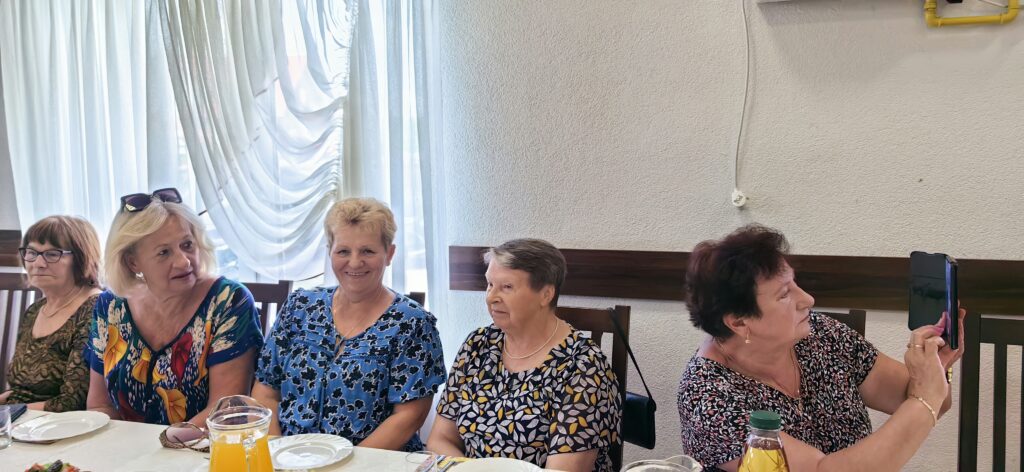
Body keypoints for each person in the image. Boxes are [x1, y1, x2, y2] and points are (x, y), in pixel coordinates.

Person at [677, 224, 965, 471]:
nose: (808, 299)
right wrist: (925, 396)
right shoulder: (707, 397)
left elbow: (930, 402)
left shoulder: (821, 334)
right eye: (784, 294)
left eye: (795, 283)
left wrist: (935, 368)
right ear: (739, 323)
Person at [252, 197, 445, 451]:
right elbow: (266, 390)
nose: (354, 262)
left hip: (371, 461)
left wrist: (349, 464)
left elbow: (409, 416)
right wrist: (277, 454)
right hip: (288, 457)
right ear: (330, 251)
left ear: (389, 254)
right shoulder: (299, 306)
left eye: (367, 251)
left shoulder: (413, 323)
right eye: (343, 251)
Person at [428, 239, 622, 472]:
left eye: (507, 287)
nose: (491, 297)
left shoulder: (583, 366)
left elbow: (563, 471)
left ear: (546, 295)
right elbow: (440, 439)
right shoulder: (477, 345)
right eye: (490, 284)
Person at [84, 188, 263, 425]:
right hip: (126, 444)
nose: (183, 261)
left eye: (187, 245)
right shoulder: (110, 306)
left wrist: (164, 443)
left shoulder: (227, 301)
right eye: (164, 252)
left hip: (201, 444)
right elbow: (100, 405)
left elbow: (224, 412)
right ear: (133, 262)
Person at [1, 216, 102, 411]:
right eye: (32, 252)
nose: (38, 263)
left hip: (59, 424)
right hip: (20, 419)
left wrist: (7, 413)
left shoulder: (96, 308)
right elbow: (18, 391)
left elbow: (72, 403)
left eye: (52, 254)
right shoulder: (35, 310)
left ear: (81, 258)